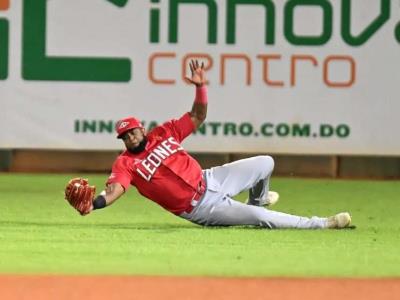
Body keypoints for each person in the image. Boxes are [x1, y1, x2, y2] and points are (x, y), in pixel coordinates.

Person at [88, 60, 352, 229]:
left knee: (266, 163)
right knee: (260, 220)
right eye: (124, 136)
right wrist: (94, 204)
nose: (130, 138)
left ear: (141, 128)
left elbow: (197, 116)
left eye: (132, 132)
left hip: (212, 179)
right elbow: (114, 190)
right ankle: (321, 224)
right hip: (201, 208)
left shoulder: (163, 133)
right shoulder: (125, 163)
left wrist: (200, 87)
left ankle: (257, 200)